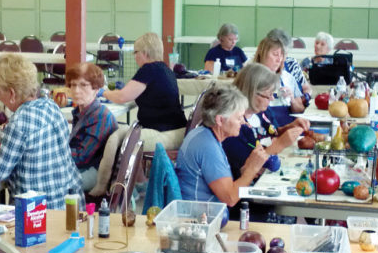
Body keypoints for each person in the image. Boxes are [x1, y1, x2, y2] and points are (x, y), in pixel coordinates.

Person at [0, 53, 81, 209]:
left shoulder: (20, 122)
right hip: (67, 204)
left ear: (12, 93)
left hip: (37, 211)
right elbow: (30, 144)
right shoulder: (51, 106)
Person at [90, 32, 187, 196]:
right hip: (177, 130)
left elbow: (122, 97)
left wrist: (101, 92)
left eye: (135, 52)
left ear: (145, 53)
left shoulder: (148, 69)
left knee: (120, 141)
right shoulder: (165, 69)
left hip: (164, 133)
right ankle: (140, 183)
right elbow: (143, 94)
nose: (135, 57)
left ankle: (113, 190)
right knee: (126, 134)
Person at [175, 84, 268, 206]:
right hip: (203, 216)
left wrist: (246, 169)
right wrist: (252, 169)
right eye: (239, 118)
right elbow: (230, 199)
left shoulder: (202, 134)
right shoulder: (208, 147)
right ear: (219, 120)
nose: (244, 123)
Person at [222, 63, 309, 180]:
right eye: (268, 95)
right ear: (251, 93)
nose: (272, 98)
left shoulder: (262, 112)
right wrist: (280, 144)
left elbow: (273, 132)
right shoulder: (235, 124)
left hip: (271, 171)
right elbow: (251, 167)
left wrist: (291, 126)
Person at [65, 62, 118, 191]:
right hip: (82, 167)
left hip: (92, 172)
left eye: (83, 85)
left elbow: (81, 157)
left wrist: (53, 153)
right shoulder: (82, 112)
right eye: (73, 85)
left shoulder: (100, 116)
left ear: (97, 89)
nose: (76, 91)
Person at [252, 36, 308, 121]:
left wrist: (292, 99)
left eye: (281, 55)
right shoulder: (250, 78)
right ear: (262, 53)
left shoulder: (288, 77)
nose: (279, 59)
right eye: (275, 54)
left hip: (288, 125)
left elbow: (300, 110)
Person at [266, 27, 313, 99]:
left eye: (285, 53)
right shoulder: (258, 68)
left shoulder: (292, 63)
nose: (281, 58)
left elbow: (306, 88)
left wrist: (304, 99)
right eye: (276, 53)